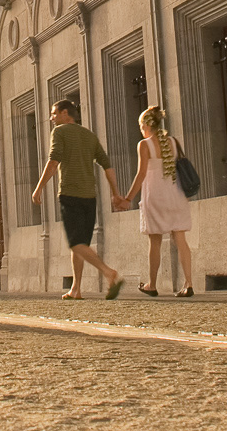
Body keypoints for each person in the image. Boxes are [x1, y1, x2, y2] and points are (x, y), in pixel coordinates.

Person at [31, 98, 127, 300]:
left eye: (54, 113)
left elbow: (54, 160)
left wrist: (39, 188)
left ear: (66, 113)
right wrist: (115, 192)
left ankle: (110, 273)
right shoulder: (89, 135)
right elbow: (107, 164)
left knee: (76, 243)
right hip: (90, 197)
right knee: (81, 242)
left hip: (70, 194)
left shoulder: (59, 132)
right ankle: (76, 289)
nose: (51, 118)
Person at [121, 106, 194, 298]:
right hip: (176, 194)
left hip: (155, 196)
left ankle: (152, 284)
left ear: (146, 125)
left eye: (140, 125)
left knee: (155, 241)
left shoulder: (144, 144)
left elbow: (141, 173)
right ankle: (189, 283)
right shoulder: (174, 142)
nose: (140, 128)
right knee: (181, 239)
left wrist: (128, 197)